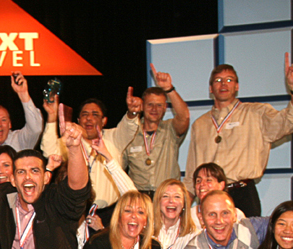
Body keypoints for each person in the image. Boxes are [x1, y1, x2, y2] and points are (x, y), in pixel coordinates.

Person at [185, 54, 293, 216]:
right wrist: (184, 209)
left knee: (248, 240)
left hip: (242, 194)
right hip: (209, 196)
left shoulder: (256, 113)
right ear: (210, 89)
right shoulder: (200, 124)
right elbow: (191, 173)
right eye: (218, 80)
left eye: (229, 80)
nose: (223, 84)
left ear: (237, 86)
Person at [41, 91, 140, 227]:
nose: (89, 119)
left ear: (104, 120)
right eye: (84, 114)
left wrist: (132, 113)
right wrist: (52, 117)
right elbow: (49, 151)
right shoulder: (73, 142)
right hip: (78, 213)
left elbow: (129, 126)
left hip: (110, 214)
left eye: (95, 115)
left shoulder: (115, 138)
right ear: (78, 120)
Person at [122, 64, 190, 198]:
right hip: (140, 199)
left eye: (159, 105)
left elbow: (184, 117)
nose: (154, 109)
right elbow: (118, 167)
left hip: (167, 197)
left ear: (165, 108)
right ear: (142, 106)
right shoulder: (130, 133)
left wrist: (169, 89)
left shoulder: (171, 129)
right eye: (150, 104)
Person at [0, 71, 42, 161]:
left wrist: (23, 94)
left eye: (3, 120)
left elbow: (36, 128)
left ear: (10, 124)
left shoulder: (20, 140)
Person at [190, 163, 245, 230]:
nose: (202, 184)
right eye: (198, 181)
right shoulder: (189, 216)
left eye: (208, 180)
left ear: (221, 185)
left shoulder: (236, 214)